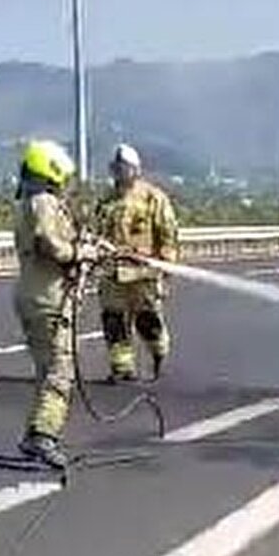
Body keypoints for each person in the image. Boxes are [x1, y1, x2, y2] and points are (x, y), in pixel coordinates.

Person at [14, 139, 100, 469]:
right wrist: (80, 254)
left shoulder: (30, 202)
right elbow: (51, 245)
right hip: (47, 299)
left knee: (46, 369)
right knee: (59, 371)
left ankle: (36, 433)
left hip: (36, 295)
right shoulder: (43, 203)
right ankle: (42, 437)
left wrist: (86, 246)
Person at [94, 144, 179, 383]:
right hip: (113, 275)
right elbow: (96, 232)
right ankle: (122, 369)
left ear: (136, 170)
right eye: (117, 168)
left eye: (126, 168)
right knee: (114, 322)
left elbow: (168, 234)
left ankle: (158, 356)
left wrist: (165, 267)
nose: (121, 173)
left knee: (148, 322)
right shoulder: (106, 201)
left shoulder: (153, 198)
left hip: (143, 275)